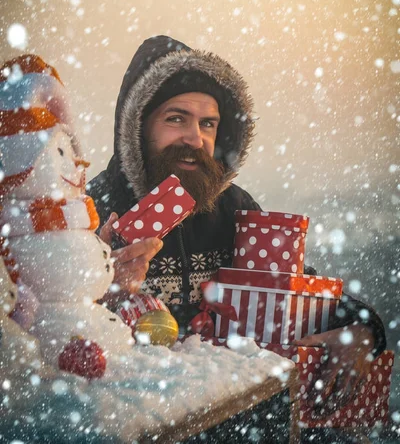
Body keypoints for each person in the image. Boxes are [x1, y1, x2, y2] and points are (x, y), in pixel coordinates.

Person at [87, 35, 386, 430]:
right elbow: (42, 332)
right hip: (133, 423)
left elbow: (290, 289)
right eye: (176, 119)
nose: (195, 139)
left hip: (231, 421)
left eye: (207, 124)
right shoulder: (89, 212)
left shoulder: (231, 209)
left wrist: (363, 327)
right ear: (137, 128)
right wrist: (97, 288)